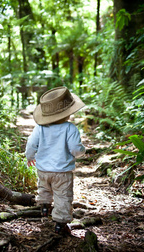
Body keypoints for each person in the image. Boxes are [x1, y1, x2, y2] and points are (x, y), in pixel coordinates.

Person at [25, 86, 86, 235]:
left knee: (44, 188)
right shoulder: (70, 128)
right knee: (63, 196)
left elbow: (31, 144)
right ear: (68, 113)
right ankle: (60, 224)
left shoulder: (40, 127)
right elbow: (75, 148)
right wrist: (81, 152)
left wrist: (30, 156)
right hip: (63, 172)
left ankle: (45, 207)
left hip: (43, 170)